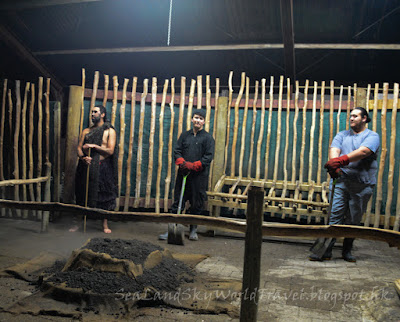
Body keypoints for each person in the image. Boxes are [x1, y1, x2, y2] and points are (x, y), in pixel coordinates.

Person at [310, 107, 380, 262]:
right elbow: (334, 150)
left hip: (362, 185)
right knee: (334, 215)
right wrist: (335, 164)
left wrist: (341, 161)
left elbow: (364, 152)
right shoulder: (342, 135)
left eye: (355, 116)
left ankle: (347, 251)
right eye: (351, 116)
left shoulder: (372, 136)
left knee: (353, 219)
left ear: (364, 118)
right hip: (341, 182)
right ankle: (325, 251)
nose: (351, 118)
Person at [159, 109, 215, 241]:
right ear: (191, 119)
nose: (198, 120)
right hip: (183, 175)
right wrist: (182, 162)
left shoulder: (208, 138)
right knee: (178, 201)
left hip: (198, 178)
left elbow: (208, 156)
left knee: (196, 203)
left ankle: (193, 230)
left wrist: (195, 165)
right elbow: (177, 150)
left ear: (204, 122)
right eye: (196, 117)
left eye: (201, 118)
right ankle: (172, 229)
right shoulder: (184, 136)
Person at [72, 105, 118, 233]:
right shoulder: (86, 131)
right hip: (86, 165)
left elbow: (110, 150)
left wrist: (94, 146)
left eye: (95, 112)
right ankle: (78, 223)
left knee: (104, 194)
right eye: (91, 112)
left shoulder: (109, 131)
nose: (92, 114)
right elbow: (79, 148)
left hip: (103, 167)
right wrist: (83, 158)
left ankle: (105, 225)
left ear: (102, 114)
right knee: (82, 193)